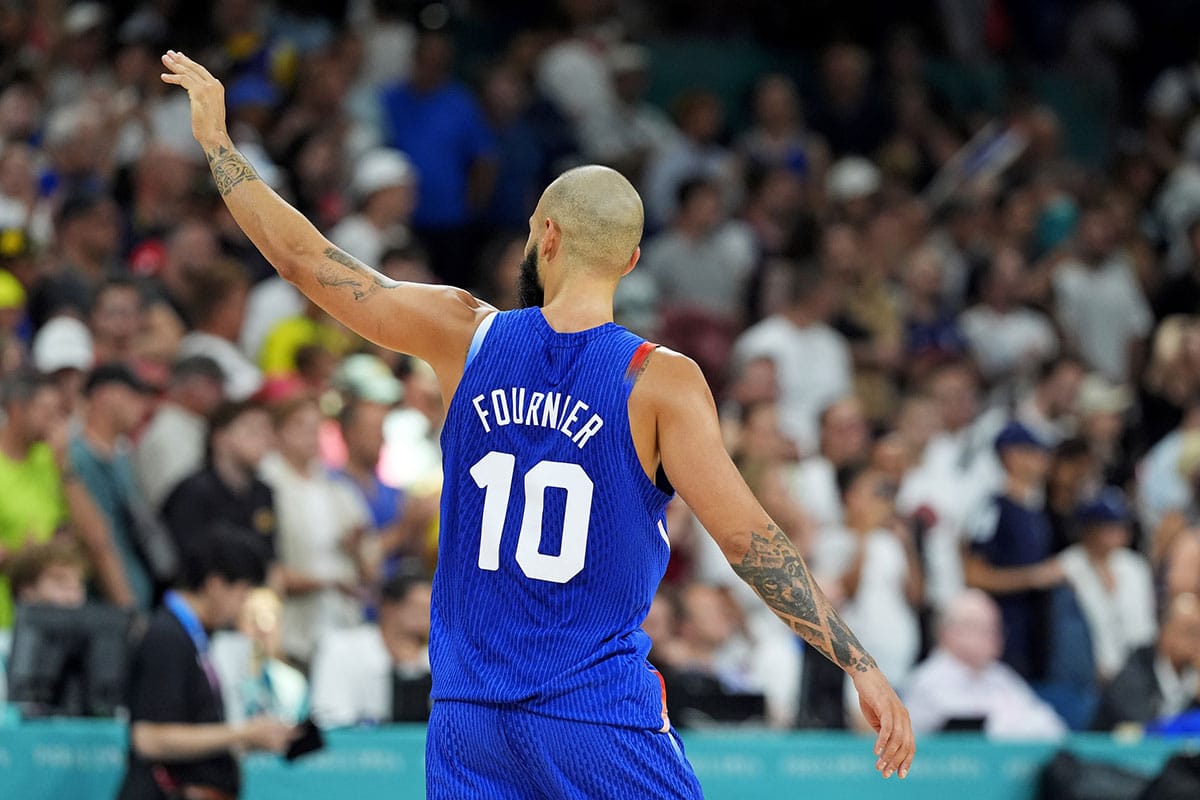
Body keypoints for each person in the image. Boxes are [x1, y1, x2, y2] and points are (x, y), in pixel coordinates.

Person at [161, 50, 915, 797]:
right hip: (592, 719)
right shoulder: (658, 379)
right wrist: (857, 662)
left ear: (545, 237)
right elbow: (752, 541)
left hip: (468, 722)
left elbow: (303, 260)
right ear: (631, 261)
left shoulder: (463, 334)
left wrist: (218, 144)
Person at [116, 523, 297, 800]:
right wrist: (242, 734)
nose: (243, 605)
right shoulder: (167, 636)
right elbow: (149, 738)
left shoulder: (196, 637)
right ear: (215, 584)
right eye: (243, 592)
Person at [904, 590, 1066, 738]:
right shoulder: (927, 680)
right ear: (947, 632)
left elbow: (1050, 725)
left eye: (996, 628)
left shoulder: (1001, 675)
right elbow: (964, 729)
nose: (994, 637)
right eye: (982, 628)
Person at [308, 573, 433, 727]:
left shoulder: (435, 660)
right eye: (419, 608)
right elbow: (328, 717)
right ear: (389, 607)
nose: (428, 616)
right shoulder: (341, 648)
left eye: (432, 608)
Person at [1092, 592, 1200, 731]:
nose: (1197, 642)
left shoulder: (1194, 676)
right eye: (1191, 633)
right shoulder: (1134, 674)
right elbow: (1143, 731)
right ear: (1165, 634)